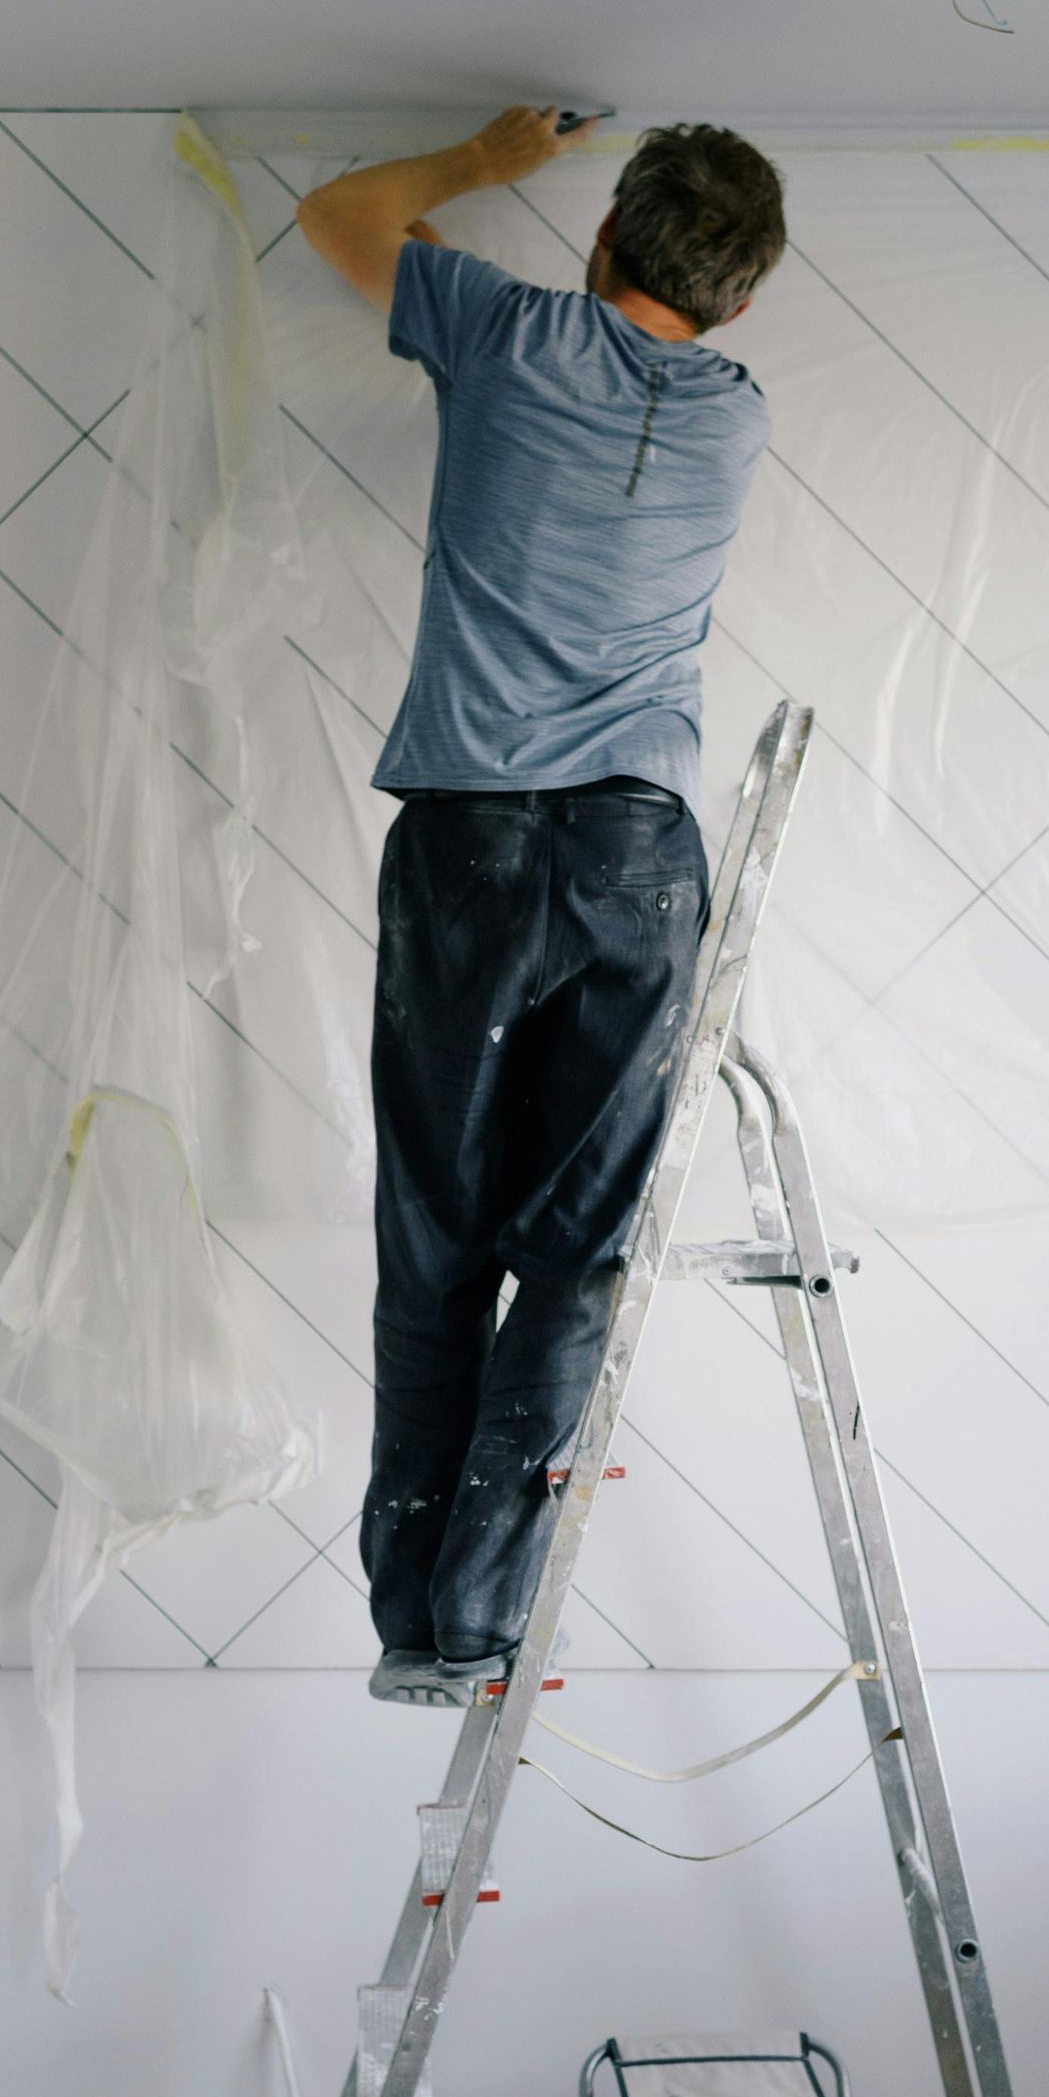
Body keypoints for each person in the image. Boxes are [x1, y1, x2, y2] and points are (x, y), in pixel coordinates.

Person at [297, 107, 785, 1706]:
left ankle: (410, 1629)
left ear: (603, 235)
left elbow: (341, 211)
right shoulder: (736, 412)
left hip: (473, 846)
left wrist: (483, 160)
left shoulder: (504, 334)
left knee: (437, 1231)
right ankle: (484, 1616)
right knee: (576, 1253)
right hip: (641, 856)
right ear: (743, 299)